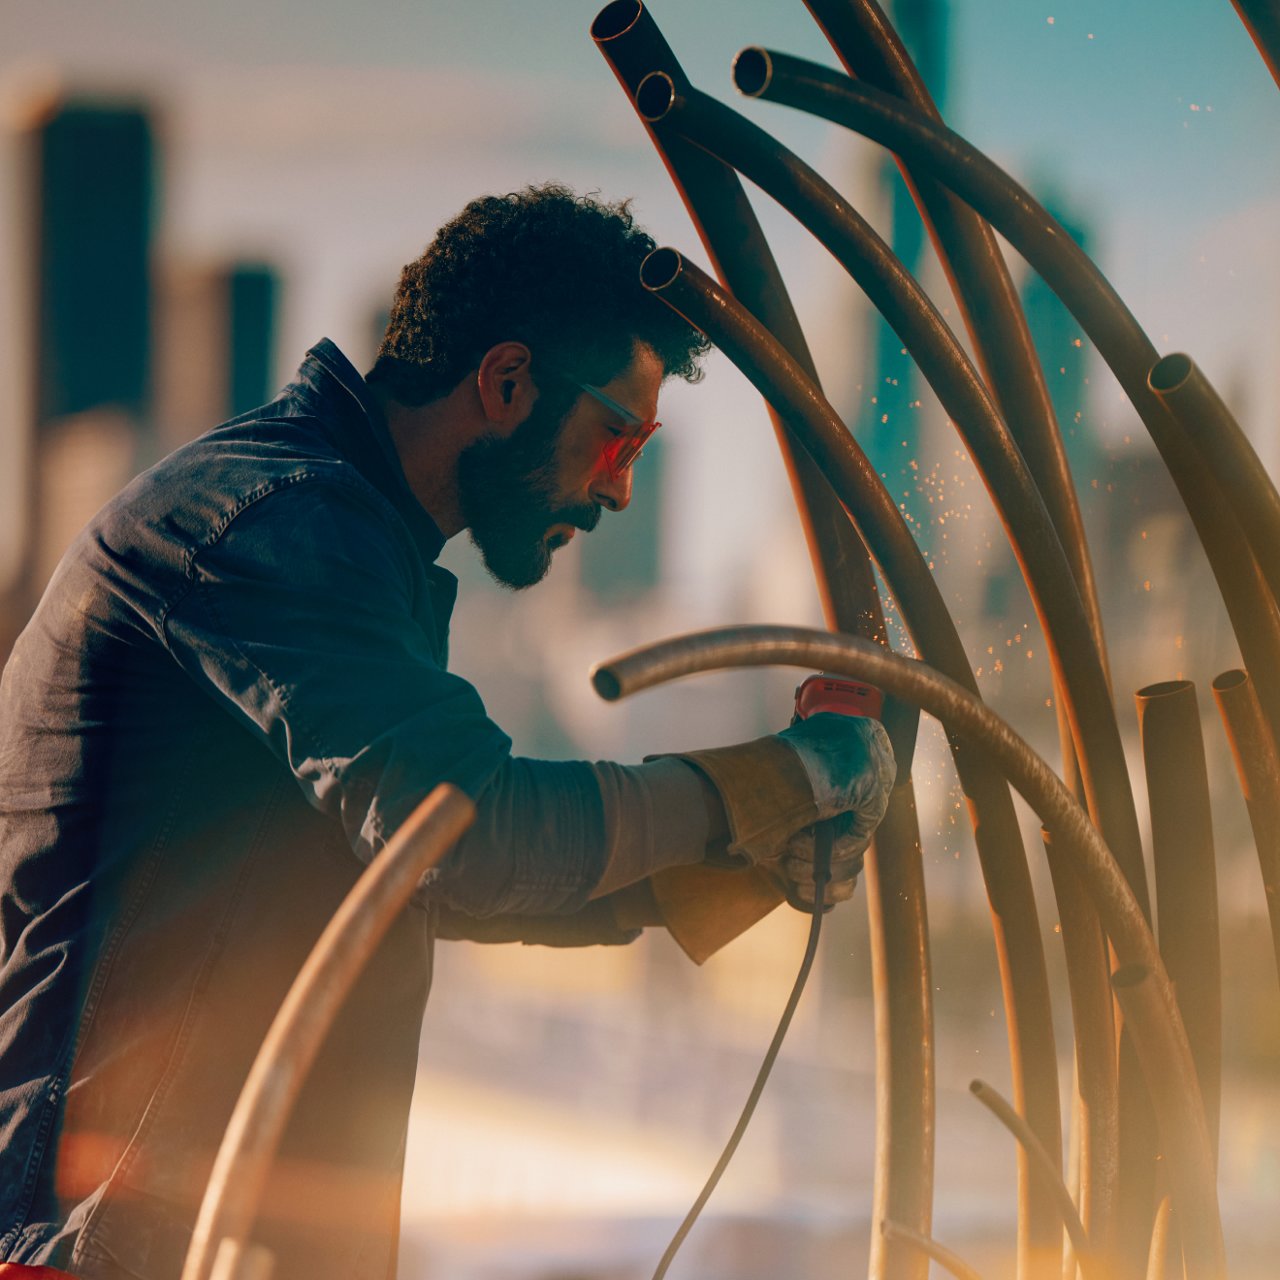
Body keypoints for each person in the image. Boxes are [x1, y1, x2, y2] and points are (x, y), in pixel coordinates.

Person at [0, 185, 894, 1280]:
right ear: (506, 383)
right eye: (615, 438)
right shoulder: (275, 527)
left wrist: (733, 856)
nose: (617, 491)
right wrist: (780, 780)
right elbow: (467, 837)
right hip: (97, 1249)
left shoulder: (342, 537)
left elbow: (418, 876)